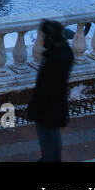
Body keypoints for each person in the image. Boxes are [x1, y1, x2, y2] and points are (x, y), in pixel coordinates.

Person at [27, 19, 75, 162]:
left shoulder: (54, 57)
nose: (42, 41)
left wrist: (35, 105)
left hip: (46, 105)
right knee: (53, 135)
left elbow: (46, 86)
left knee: (47, 138)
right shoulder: (65, 52)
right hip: (57, 103)